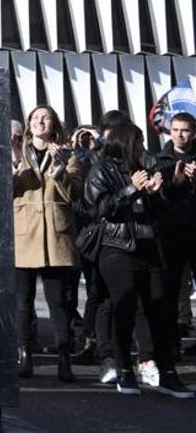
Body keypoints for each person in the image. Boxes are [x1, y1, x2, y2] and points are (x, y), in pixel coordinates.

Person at [85, 122, 192, 397]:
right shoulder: (102, 170)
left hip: (148, 245)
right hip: (117, 246)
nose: (142, 147)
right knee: (125, 307)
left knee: (160, 309)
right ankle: (124, 370)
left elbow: (155, 211)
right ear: (124, 142)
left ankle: (167, 373)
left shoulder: (141, 169)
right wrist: (131, 189)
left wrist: (163, 190)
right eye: (138, 141)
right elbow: (102, 209)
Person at [12, 105, 82, 381]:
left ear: (54, 124)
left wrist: (59, 169)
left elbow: (74, 193)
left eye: (47, 118)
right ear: (29, 124)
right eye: (36, 118)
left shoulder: (69, 155)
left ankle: (64, 359)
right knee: (22, 301)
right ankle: (24, 356)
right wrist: (16, 162)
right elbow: (8, 190)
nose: (41, 121)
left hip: (56, 236)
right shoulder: (18, 154)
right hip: (24, 234)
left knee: (59, 302)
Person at [156, 112, 196, 366]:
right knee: (170, 291)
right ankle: (171, 345)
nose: (180, 135)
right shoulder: (160, 159)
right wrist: (175, 182)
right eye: (176, 130)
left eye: (185, 130)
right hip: (171, 234)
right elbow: (157, 198)